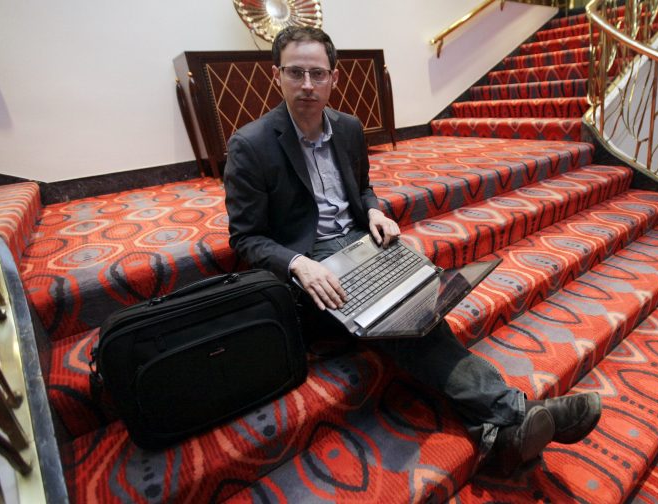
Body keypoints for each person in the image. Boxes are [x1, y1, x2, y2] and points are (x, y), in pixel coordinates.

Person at [224, 26, 601, 475]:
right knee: (405, 321)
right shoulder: (251, 144)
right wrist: (298, 263)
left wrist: (376, 212)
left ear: (333, 78)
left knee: (424, 298)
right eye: (296, 72)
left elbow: (361, 190)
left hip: (364, 246)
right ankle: (512, 414)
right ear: (277, 76)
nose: (307, 84)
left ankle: (499, 435)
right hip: (315, 268)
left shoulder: (347, 128)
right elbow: (244, 238)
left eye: (317, 74)